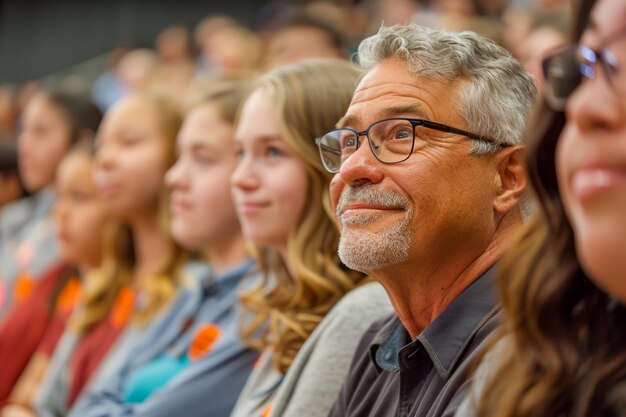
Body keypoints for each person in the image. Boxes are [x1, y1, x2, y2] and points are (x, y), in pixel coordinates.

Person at [314, 24, 536, 417]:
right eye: (350, 141)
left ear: (507, 177)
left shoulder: (547, 349)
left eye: (402, 133)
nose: (353, 168)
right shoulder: (381, 344)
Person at [454, 0, 626, 415]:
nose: (584, 107)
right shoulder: (536, 364)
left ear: (508, 173)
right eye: (585, 67)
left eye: (403, 135)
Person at [70, 78, 259, 417]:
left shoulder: (259, 303)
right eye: (100, 146)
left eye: (201, 158)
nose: (175, 177)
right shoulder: (194, 288)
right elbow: (82, 401)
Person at [229, 59, 393, 417]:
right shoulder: (289, 306)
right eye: (240, 153)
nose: (240, 177)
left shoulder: (365, 313)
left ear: (333, 166)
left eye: (272, 152)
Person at [32, 92, 190, 417]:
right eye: (102, 145)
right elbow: (43, 403)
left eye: (128, 142)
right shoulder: (106, 281)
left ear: (178, 157)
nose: (102, 160)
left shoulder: (195, 291)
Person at [0, 145, 108, 415]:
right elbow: (26, 394)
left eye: (80, 198)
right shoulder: (63, 281)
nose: (60, 212)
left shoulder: (116, 296)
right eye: (59, 197)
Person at [0, 91, 102, 316]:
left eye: (41, 132)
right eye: (22, 131)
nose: (24, 146)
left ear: (81, 142)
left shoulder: (90, 228)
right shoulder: (17, 217)